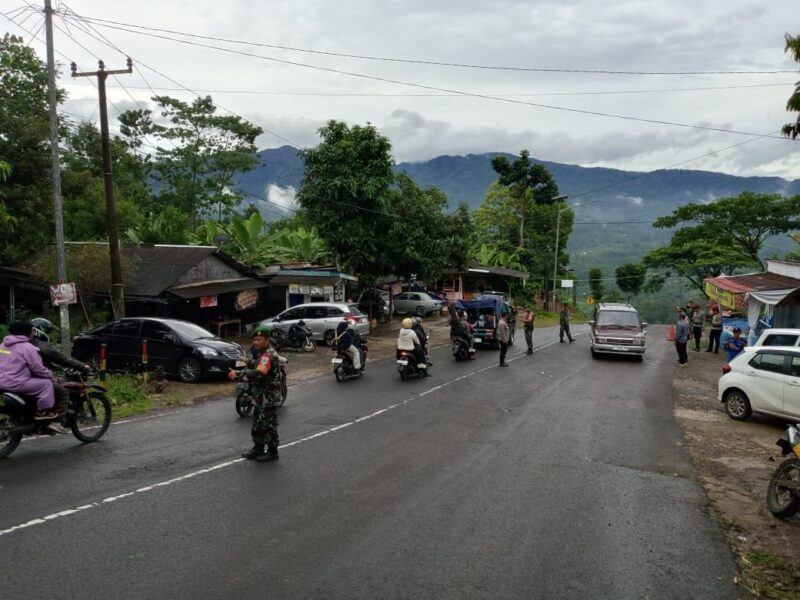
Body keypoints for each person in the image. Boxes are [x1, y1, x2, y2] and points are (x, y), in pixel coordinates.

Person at [230, 325, 282, 462]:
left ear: (266, 339)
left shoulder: (268, 355)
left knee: (268, 424)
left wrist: (238, 374)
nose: (255, 342)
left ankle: (272, 451)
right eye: (254, 340)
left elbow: (259, 373)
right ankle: (258, 447)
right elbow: (257, 364)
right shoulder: (263, 353)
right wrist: (246, 361)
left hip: (268, 396)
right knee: (258, 422)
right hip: (260, 396)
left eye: (259, 339)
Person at [30, 318, 92, 410]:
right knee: (63, 392)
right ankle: (59, 420)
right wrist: (82, 366)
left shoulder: (27, 344)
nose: (49, 335)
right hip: (36, 378)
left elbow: (43, 362)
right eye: (48, 332)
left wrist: (56, 367)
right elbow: (62, 359)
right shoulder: (42, 346)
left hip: (24, 377)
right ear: (42, 331)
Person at [0, 321, 58, 419]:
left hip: (1, 382)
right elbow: (38, 368)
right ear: (26, 332)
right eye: (32, 331)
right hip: (16, 383)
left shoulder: (2, 346)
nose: (34, 334)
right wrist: (51, 376)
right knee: (46, 384)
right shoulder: (28, 347)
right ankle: (43, 411)